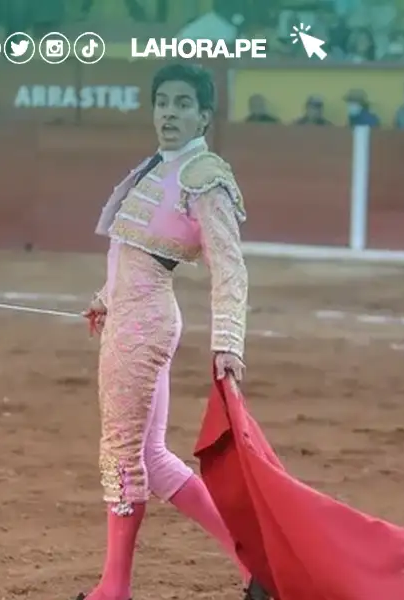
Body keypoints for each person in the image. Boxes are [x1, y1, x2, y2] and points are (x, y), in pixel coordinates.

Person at [79, 62, 262, 600]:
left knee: (119, 453)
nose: (169, 113)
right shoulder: (164, 168)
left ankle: (114, 590)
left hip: (143, 327)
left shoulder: (204, 175)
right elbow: (136, 256)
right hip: (134, 316)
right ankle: (254, 568)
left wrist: (228, 340)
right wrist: (105, 298)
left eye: (183, 104)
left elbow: (230, 266)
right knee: (152, 457)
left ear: (204, 115)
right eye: (163, 103)